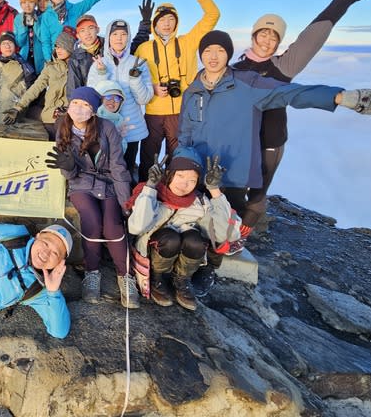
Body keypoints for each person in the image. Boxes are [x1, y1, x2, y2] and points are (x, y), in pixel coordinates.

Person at [178, 30, 371, 291]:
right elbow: (185, 132)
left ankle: (211, 267)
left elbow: (290, 93)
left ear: (228, 55)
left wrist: (338, 97)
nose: (213, 56)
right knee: (196, 219)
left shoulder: (247, 83)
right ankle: (190, 263)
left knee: (226, 223)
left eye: (219, 51)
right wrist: (181, 163)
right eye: (207, 51)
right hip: (198, 169)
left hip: (232, 170)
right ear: (201, 55)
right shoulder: (193, 90)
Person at [227, 0, 371, 249]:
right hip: (240, 141)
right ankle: (225, 231)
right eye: (263, 34)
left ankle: (242, 236)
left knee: (258, 192)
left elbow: (314, 34)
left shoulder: (283, 65)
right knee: (233, 189)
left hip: (271, 138)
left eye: (273, 37)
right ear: (253, 36)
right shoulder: (234, 68)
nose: (267, 41)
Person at [44, 87, 139, 308]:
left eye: (85, 105)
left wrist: (126, 201)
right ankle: (92, 273)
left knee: (113, 226)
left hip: (108, 184)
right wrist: (68, 168)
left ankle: (126, 276)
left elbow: (118, 167)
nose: (79, 109)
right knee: (92, 222)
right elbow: (67, 171)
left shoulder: (108, 129)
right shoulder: (63, 128)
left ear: (94, 111)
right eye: (75, 103)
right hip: (81, 184)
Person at [133, 0, 220, 181]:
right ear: (155, 23)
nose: (167, 24)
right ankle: (143, 193)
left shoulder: (188, 42)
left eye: (171, 19)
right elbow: (131, 75)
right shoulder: (144, 48)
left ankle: (174, 194)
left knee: (177, 157)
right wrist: (151, 88)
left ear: (177, 22)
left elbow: (213, 15)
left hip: (181, 112)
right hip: (153, 110)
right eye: (162, 19)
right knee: (148, 158)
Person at [126, 149, 239, 310]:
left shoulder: (199, 202)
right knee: (170, 238)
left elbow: (227, 234)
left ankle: (181, 279)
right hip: (154, 253)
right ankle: (157, 278)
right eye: (180, 176)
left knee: (195, 240)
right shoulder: (153, 193)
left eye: (192, 180)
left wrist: (215, 191)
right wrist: (150, 187)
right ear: (170, 174)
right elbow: (136, 227)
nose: (184, 184)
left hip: (180, 259)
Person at [86, 20, 154, 175]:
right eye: (115, 34)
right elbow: (93, 97)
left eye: (123, 34)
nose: (119, 38)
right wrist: (102, 73)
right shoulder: (99, 63)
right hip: (105, 125)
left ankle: (126, 198)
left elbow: (144, 99)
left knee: (127, 169)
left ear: (128, 37)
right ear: (108, 37)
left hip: (131, 127)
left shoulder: (138, 63)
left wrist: (135, 79)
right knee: (104, 168)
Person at [39, 0, 131, 65]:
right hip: (56, 59)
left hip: (75, 58)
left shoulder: (76, 9)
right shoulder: (47, 16)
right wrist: (49, 61)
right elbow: (45, 41)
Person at [3, 30, 76, 140]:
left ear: (70, 47)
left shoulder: (77, 67)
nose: (58, 50)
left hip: (69, 116)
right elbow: (36, 88)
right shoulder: (50, 67)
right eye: (56, 46)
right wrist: (19, 107)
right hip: (50, 114)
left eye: (62, 46)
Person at [66, 15, 104, 95]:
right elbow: (73, 89)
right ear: (78, 35)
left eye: (91, 28)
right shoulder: (75, 58)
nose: (87, 33)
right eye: (82, 30)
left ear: (97, 30)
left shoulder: (110, 48)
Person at [14, 0, 45, 73]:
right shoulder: (18, 18)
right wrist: (24, 27)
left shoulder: (41, 16)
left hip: (40, 57)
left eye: (30, 2)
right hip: (25, 57)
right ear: (21, 4)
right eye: (24, 2)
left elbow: (43, 38)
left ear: (35, 3)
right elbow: (19, 43)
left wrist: (36, 23)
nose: (27, 5)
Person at [93, 81, 130, 148]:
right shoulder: (92, 118)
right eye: (108, 96)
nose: (112, 101)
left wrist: (118, 138)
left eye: (117, 98)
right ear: (100, 99)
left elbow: (122, 150)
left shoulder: (120, 122)